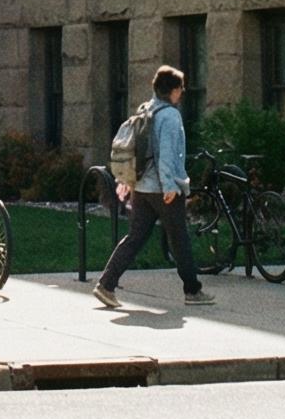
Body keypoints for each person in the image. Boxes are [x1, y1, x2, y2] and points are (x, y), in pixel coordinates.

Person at [92, 65, 215, 310]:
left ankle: (106, 284)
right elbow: (167, 154)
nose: (182, 92)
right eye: (180, 88)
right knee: (179, 239)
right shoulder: (170, 116)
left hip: (142, 187)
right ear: (172, 90)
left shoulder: (146, 110)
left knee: (135, 237)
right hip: (162, 189)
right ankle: (192, 290)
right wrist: (171, 185)